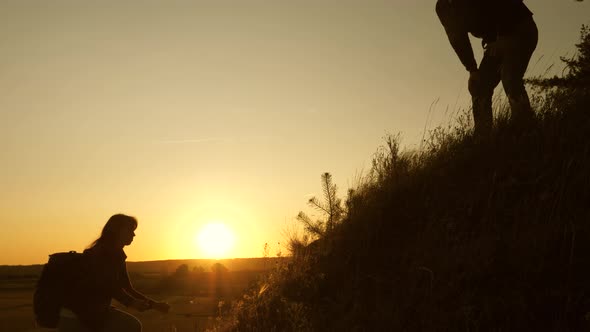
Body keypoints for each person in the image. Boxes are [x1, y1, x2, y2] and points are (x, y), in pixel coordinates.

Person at [436, 0, 538, 136]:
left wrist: (502, 36)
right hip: (494, 41)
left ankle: (526, 128)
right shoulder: (444, 7)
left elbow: (504, 5)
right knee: (479, 86)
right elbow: (457, 38)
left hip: (519, 28)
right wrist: (472, 69)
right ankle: (482, 140)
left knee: (510, 77)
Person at [58, 214, 170, 332]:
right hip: (77, 315)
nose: (134, 234)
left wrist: (155, 305)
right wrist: (131, 303)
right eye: (130, 230)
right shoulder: (101, 253)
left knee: (131, 325)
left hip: (90, 312)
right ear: (117, 231)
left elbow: (126, 287)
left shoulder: (116, 254)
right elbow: (108, 286)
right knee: (131, 326)